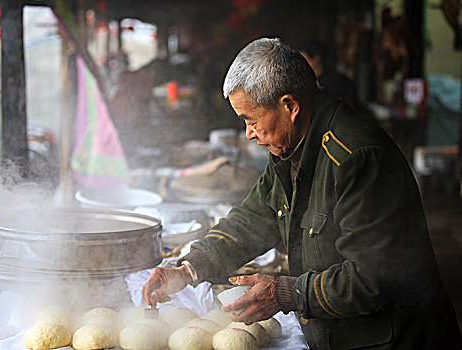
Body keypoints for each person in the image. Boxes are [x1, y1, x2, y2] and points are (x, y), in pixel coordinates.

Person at [142, 38, 462, 349]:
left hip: (396, 339)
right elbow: (253, 217)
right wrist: (189, 268)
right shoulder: (291, 147)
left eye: (251, 120)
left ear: (290, 106)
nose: (249, 133)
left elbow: (372, 279)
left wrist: (286, 293)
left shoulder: (356, 158)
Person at [299, 40, 357, 108]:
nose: (301, 64)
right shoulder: (306, 80)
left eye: (305, 59)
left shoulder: (334, 81)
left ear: (316, 58)